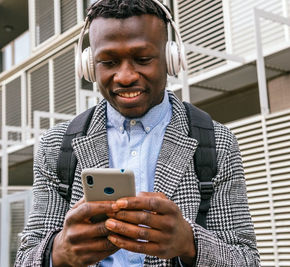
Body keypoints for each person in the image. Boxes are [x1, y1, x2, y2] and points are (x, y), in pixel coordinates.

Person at [16, 0, 260, 266]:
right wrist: (58, 252)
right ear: (88, 65)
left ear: (171, 58)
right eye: (108, 62)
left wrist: (190, 244)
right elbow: (26, 258)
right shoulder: (56, 146)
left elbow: (245, 259)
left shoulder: (217, 142)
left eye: (143, 59)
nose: (125, 76)